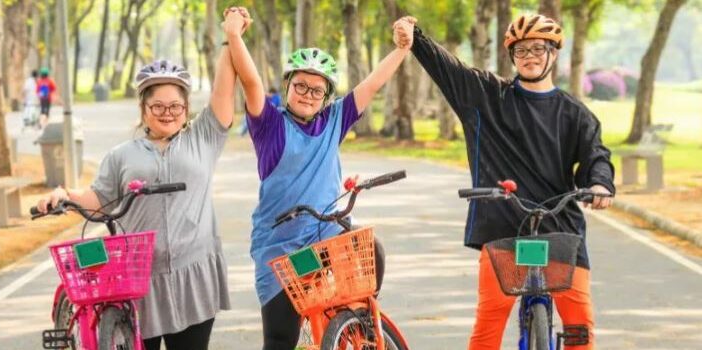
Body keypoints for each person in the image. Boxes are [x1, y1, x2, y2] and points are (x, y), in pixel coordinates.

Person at [401, 14, 615, 350]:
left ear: (554, 53)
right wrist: (415, 34)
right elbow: (448, 69)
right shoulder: (486, 96)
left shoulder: (576, 114)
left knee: (579, 328)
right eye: (521, 50)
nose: (529, 56)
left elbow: (596, 157)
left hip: (560, 229)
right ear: (512, 56)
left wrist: (601, 184)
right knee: (488, 326)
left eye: (537, 49)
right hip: (502, 229)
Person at [35, 15, 242, 348]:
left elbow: (223, 89)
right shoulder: (122, 154)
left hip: (192, 275)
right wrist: (62, 194)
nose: (167, 112)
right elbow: (98, 196)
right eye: (157, 105)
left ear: (187, 108)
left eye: (176, 105)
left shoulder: (203, 138)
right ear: (143, 109)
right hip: (136, 282)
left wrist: (229, 38)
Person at [223, 7, 416, 349]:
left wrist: (402, 48)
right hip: (281, 249)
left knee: (372, 247)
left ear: (326, 97)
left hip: (327, 237)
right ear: (288, 86)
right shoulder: (269, 125)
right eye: (301, 85)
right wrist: (235, 35)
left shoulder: (334, 120)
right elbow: (251, 81)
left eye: (317, 90)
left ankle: (360, 328)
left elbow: (372, 84)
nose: (307, 94)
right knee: (280, 339)